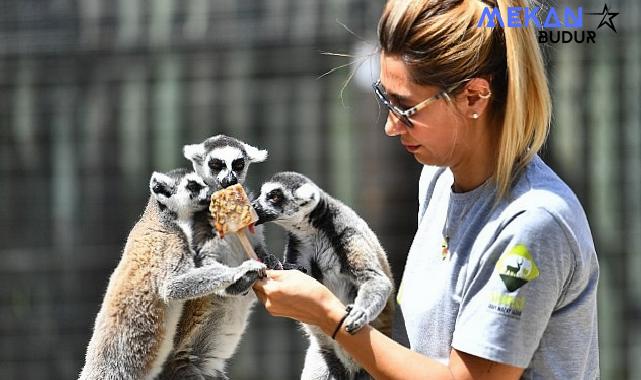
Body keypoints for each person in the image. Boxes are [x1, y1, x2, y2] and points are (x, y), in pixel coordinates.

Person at [253, 0, 600, 378]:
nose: (390, 126)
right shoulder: (437, 179)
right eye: (384, 98)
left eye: (405, 108)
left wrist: (329, 316)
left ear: (473, 97)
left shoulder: (532, 223)